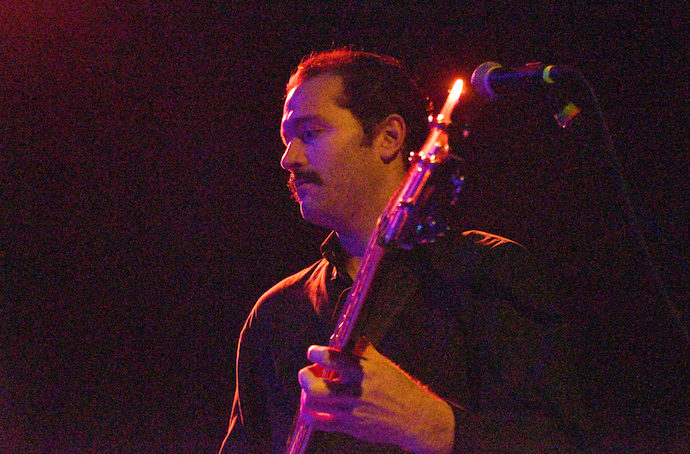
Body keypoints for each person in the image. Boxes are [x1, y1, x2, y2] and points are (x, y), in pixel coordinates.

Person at [219, 48, 590, 453]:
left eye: (310, 133)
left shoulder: (489, 272)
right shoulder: (276, 314)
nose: (288, 159)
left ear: (388, 137)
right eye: (286, 140)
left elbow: (563, 443)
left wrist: (432, 425)